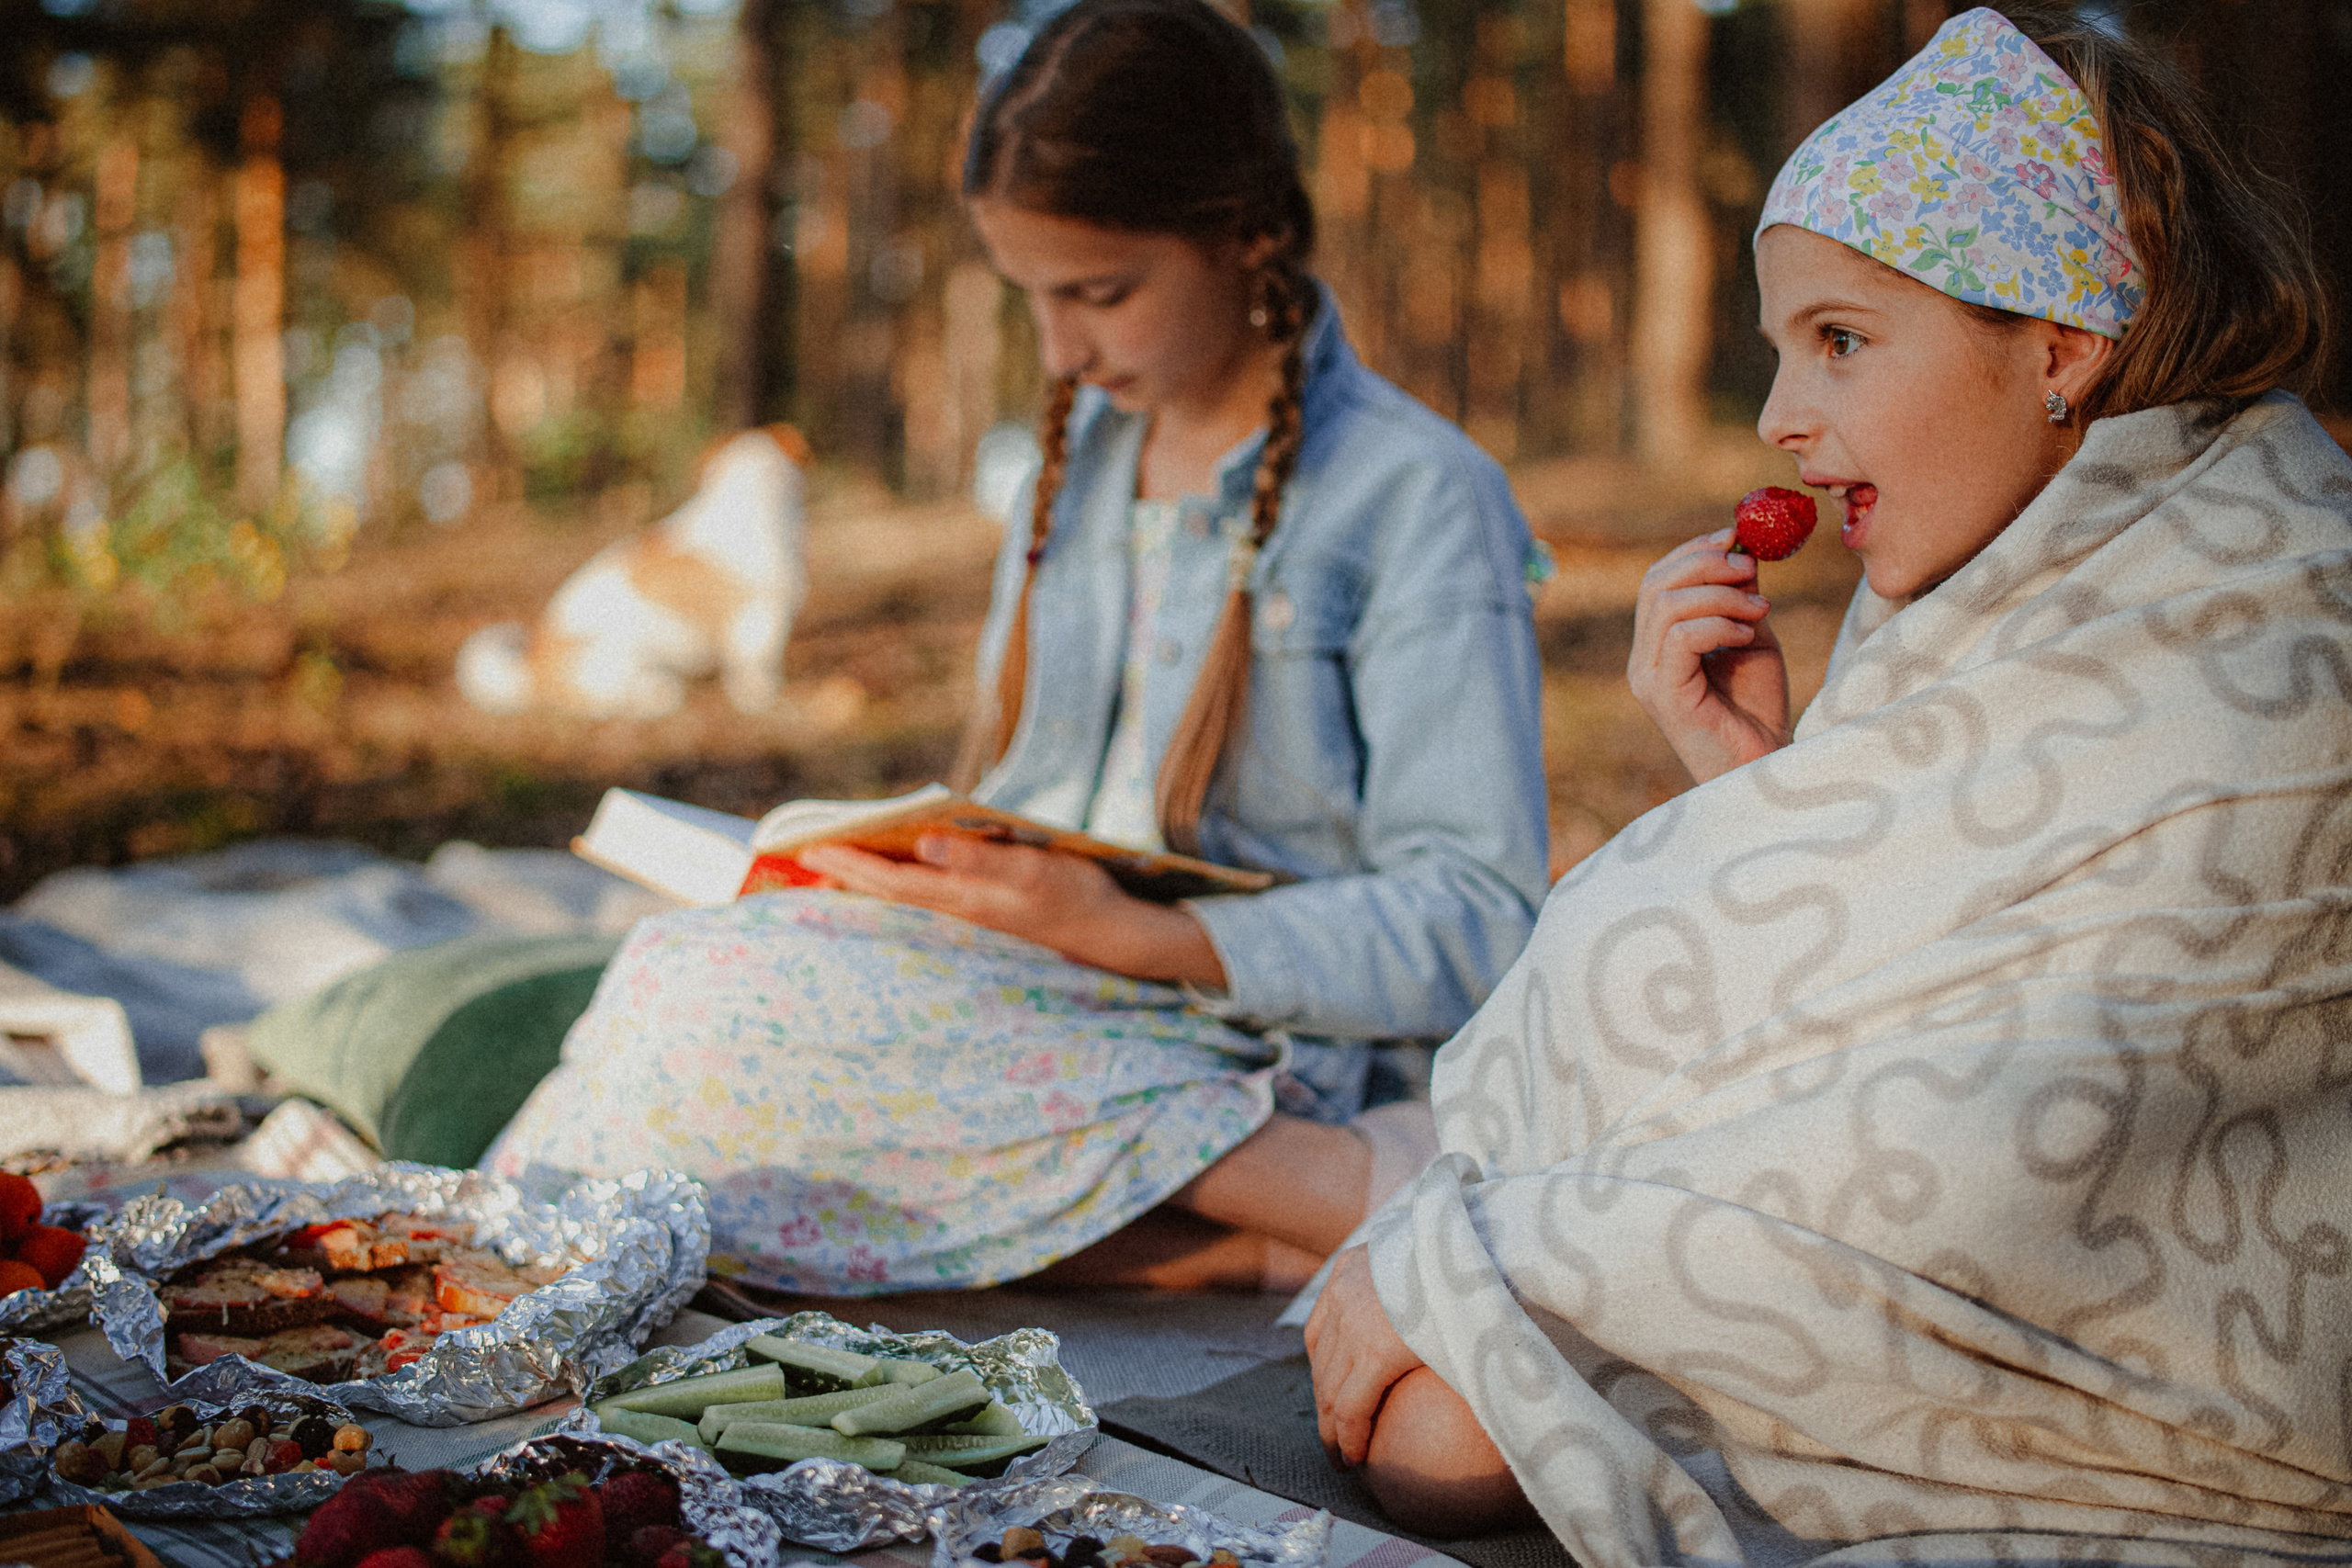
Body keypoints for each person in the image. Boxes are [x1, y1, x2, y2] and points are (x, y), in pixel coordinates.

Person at [1304, 7, 2350, 1560]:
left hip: (2182, 1345)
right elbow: (1924, 983)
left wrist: (1508, 1250)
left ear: (2060, 343)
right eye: (1780, 346)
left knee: (1451, 1425)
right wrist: (1758, 792)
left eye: (1841, 341)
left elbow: (2050, 1103)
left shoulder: (2274, 616)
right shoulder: (1999, 573)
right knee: (1445, 1412)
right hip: (1942, 1239)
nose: (1778, 420)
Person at [481, 0, 1550, 1296]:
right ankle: (1241, 1243)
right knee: (672, 981)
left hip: (1251, 1034)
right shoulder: (1070, 468)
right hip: (1037, 997)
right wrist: (908, 875)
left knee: (727, 1025)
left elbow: (1484, 921)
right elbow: (1028, 811)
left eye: (1100, 294)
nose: (1060, 352)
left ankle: (1308, 1180)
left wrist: (1148, 942)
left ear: (1245, 233)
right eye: (1033, 299)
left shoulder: (1419, 494)